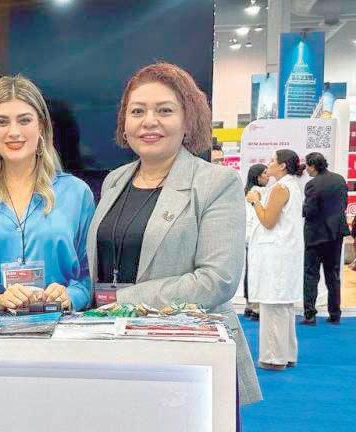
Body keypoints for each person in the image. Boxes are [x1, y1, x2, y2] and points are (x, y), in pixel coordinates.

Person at [86, 63, 261, 409]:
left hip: (186, 353)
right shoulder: (115, 180)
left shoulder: (216, 183)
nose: (149, 121)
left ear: (187, 120)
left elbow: (217, 281)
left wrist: (124, 300)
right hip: (113, 346)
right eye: (137, 111)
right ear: (124, 123)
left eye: (164, 111)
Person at [0, 75, 94, 312]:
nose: (14, 132)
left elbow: (89, 276)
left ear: (41, 126)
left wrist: (69, 295)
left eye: (24, 120)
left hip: (59, 328)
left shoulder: (77, 194)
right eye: (2, 122)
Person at [246, 149, 304, 370]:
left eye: (272, 160)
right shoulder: (291, 186)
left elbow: (268, 221)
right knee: (283, 306)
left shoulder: (280, 188)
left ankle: (273, 357)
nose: (268, 164)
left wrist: (255, 202)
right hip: (284, 252)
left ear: (282, 165)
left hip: (277, 254)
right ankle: (286, 353)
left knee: (273, 305)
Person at [301, 152, 348, 325]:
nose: (306, 170)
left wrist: (303, 209)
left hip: (316, 235)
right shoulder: (340, 179)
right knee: (333, 274)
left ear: (313, 166)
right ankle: (335, 313)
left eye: (307, 166)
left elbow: (309, 211)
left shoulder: (312, 184)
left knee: (311, 275)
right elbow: (343, 204)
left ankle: (309, 315)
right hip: (335, 234)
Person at [243, 164, 269, 319]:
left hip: (249, 237)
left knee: (251, 271)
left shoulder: (246, 192)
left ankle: (250, 304)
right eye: (265, 173)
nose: (268, 176)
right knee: (258, 272)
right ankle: (256, 306)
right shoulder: (259, 193)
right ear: (257, 177)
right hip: (257, 237)